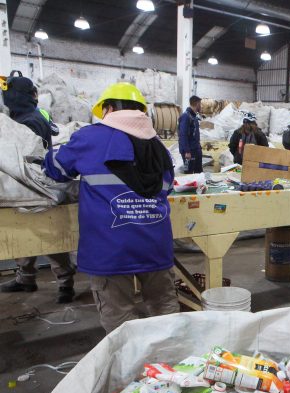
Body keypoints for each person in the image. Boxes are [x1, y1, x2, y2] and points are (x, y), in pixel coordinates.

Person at [43, 82, 179, 333]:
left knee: (119, 318)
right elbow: (167, 187)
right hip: (155, 245)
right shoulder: (160, 148)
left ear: (108, 109)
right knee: (164, 306)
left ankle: (131, 368)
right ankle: (169, 365)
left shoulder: (90, 137)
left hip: (110, 248)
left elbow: (57, 169)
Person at [0, 71, 76, 303]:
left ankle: (65, 282)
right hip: (20, 190)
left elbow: (31, 157)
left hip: (37, 189)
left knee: (49, 238)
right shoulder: (19, 119)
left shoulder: (29, 120)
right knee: (26, 236)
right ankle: (26, 278)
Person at [178, 95, 202, 174]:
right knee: (188, 173)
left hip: (196, 150)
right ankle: (189, 186)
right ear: (197, 104)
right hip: (189, 152)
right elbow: (183, 135)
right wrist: (187, 151)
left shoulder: (194, 117)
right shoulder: (186, 116)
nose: (201, 106)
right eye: (200, 104)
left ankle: (201, 186)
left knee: (199, 172)